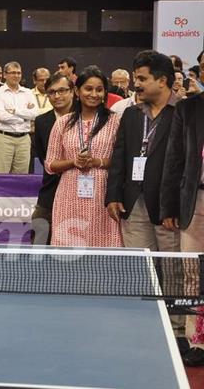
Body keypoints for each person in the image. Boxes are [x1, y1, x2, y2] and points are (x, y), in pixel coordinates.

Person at [106, 51, 180, 252]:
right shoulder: (131, 113)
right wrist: (113, 195)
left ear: (162, 80)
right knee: (140, 269)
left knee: (173, 271)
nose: (136, 84)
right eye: (136, 78)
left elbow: (187, 164)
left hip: (169, 209)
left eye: (142, 78)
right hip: (134, 203)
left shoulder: (184, 112)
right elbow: (119, 155)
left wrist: (174, 205)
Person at [45, 66, 121, 247]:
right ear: (77, 91)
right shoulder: (63, 123)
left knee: (103, 251)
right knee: (69, 252)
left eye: (99, 89)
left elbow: (122, 162)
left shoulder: (116, 121)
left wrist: (97, 161)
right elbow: (50, 164)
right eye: (88, 88)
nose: (94, 94)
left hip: (103, 194)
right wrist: (73, 162)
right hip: (69, 195)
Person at [160, 68, 204, 366]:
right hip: (196, 199)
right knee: (192, 272)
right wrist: (170, 207)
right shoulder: (188, 108)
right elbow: (174, 159)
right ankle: (196, 340)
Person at [31, 72, 74, 245]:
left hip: (79, 187)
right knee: (39, 229)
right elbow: (44, 157)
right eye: (52, 92)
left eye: (62, 90)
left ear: (72, 91)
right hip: (51, 187)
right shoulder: (41, 121)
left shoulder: (85, 117)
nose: (57, 96)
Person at [0, 61, 38, 174]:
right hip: (3, 138)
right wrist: (24, 117)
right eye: (12, 73)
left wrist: (15, 111)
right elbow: (2, 116)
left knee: (21, 178)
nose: (16, 76)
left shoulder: (28, 93)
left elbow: (35, 114)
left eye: (19, 73)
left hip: (24, 139)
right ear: (4, 75)